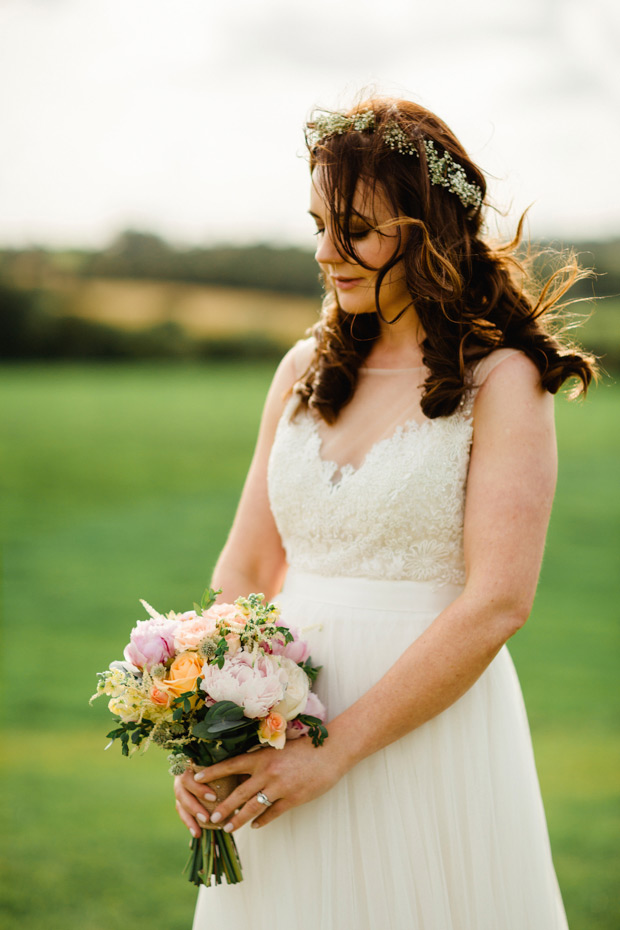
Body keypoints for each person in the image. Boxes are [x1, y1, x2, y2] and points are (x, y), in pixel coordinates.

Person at [174, 97, 595, 929]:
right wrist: (208, 728)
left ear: (427, 229)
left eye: (356, 230)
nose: (328, 253)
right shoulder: (302, 367)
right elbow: (248, 569)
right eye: (318, 226)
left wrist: (331, 754)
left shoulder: (500, 381)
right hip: (276, 730)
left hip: (421, 733)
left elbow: (499, 601)